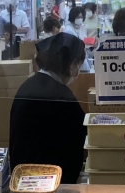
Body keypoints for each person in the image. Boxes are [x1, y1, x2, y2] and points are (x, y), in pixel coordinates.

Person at [8, 32, 88, 181]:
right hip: (50, 181)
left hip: (24, 177)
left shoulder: (29, 85)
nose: (78, 70)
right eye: (79, 64)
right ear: (71, 63)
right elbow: (82, 134)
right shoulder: (60, 95)